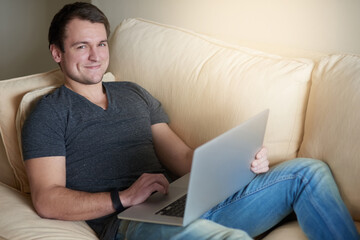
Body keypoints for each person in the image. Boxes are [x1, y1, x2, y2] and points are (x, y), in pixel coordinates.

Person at [22, 2, 359, 240]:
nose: (96, 56)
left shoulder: (133, 93)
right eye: (82, 46)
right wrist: (124, 197)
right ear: (57, 53)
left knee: (308, 171)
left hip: (183, 202)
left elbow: (183, 159)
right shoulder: (48, 112)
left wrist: (241, 160)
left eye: (101, 44)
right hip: (129, 225)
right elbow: (47, 198)